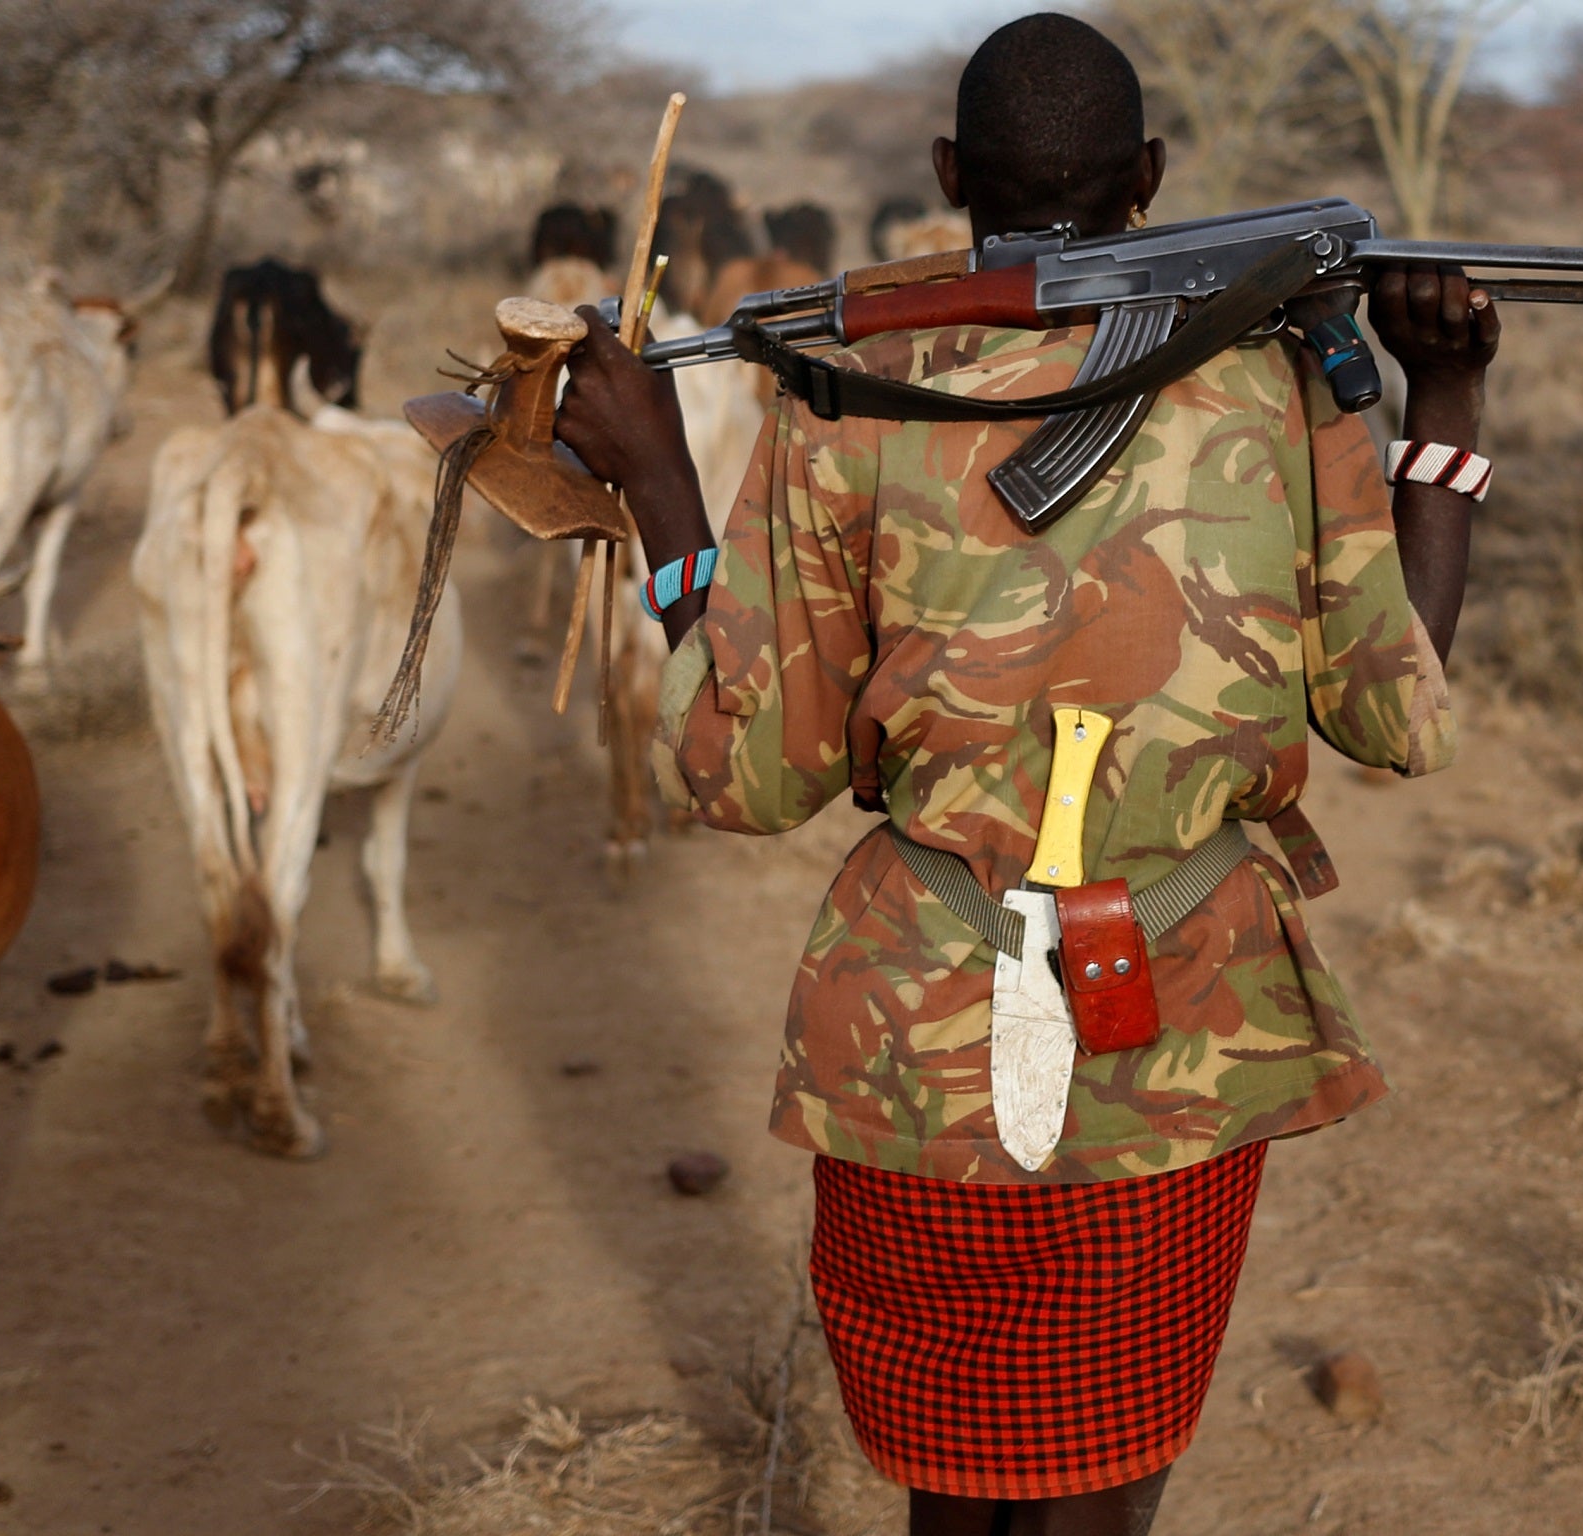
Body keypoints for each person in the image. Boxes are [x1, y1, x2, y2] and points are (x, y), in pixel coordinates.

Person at [554, 14, 1499, 1535]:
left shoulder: (845, 395)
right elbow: (1403, 722)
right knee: (1103, 1484)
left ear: (947, 175)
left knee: (955, 1483)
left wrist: (658, 481)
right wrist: (1440, 400)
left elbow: (750, 774)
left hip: (917, 1035)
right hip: (1181, 1026)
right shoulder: (1283, 387)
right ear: (1151, 176)